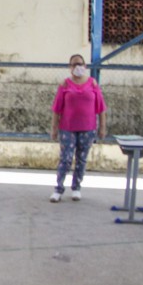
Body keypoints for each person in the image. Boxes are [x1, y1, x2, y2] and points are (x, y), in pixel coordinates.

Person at [49, 54, 106, 202]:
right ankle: (58, 188)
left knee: (81, 159)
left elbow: (101, 108)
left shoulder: (93, 84)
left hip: (88, 128)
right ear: (70, 68)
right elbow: (57, 109)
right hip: (67, 128)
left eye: (80, 64)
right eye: (74, 65)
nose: (77, 67)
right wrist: (54, 128)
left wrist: (102, 128)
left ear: (85, 66)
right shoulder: (65, 85)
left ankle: (76, 188)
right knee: (66, 158)